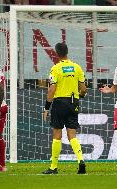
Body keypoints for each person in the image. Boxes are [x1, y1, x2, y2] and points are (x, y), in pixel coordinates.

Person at [42, 43, 87, 174]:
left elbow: (52, 89)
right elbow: (84, 89)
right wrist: (81, 96)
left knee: (57, 134)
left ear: (57, 53)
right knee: (72, 135)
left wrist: (46, 108)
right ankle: (81, 161)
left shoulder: (55, 68)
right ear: (67, 52)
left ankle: (53, 167)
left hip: (59, 102)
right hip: (73, 102)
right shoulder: (76, 67)